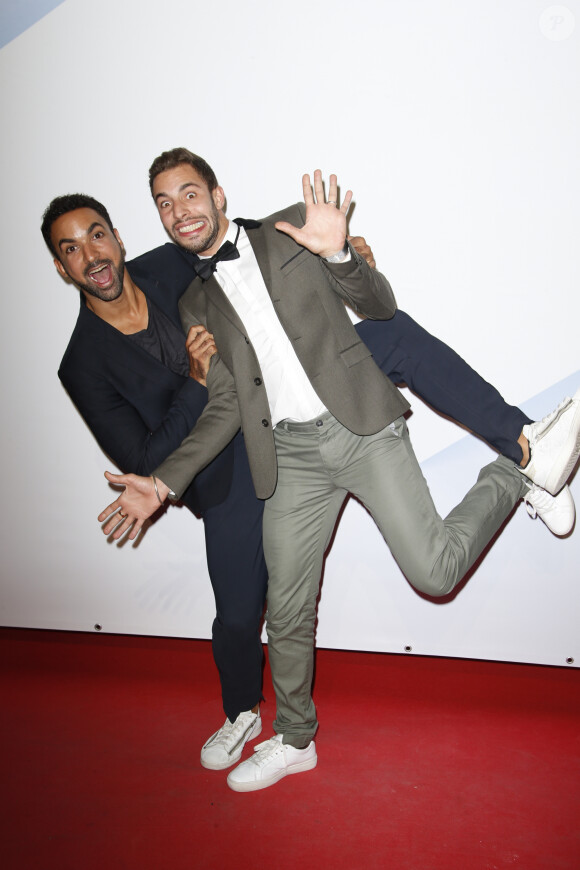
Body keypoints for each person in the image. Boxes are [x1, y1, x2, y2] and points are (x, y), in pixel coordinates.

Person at [96, 151, 580, 792]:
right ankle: (295, 737)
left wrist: (342, 256)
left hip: (360, 429)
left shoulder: (292, 228)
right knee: (287, 608)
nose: (179, 210)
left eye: (189, 193)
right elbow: (225, 407)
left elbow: (381, 308)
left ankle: (516, 473)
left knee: (434, 573)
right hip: (290, 457)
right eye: (163, 202)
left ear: (216, 194)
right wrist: (161, 482)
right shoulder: (193, 303)